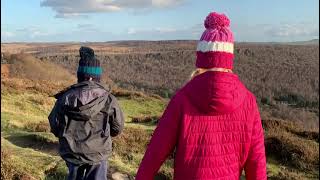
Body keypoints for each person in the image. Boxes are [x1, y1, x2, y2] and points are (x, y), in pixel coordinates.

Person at [136, 12, 267, 180]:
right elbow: (256, 161)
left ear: (201, 57)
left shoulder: (182, 99)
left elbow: (156, 151)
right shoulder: (248, 101)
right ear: (229, 60)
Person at [48, 46, 124, 180]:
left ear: (80, 75)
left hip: (72, 154)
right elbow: (117, 128)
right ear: (96, 76)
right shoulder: (108, 99)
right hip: (98, 154)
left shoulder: (64, 98)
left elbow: (55, 126)